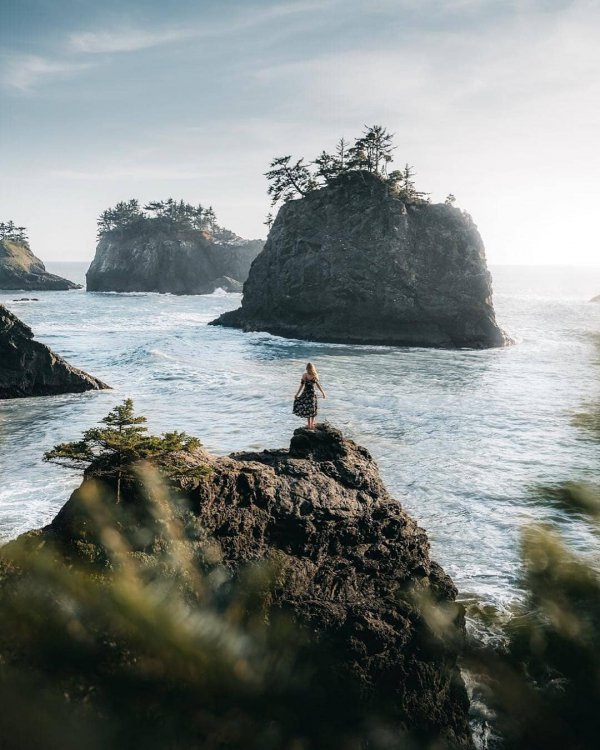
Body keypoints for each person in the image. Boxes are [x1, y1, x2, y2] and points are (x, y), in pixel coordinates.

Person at [293, 362, 326, 429]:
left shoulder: (305, 375)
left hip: (306, 394)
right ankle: (312, 424)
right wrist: (323, 393)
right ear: (313, 368)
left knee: (308, 409)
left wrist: (297, 394)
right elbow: (318, 385)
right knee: (313, 409)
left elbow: (301, 386)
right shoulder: (315, 375)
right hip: (312, 394)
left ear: (307, 368)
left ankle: (309, 425)